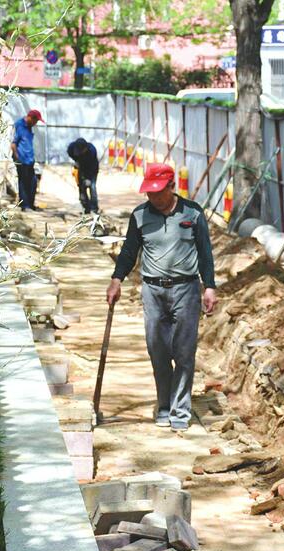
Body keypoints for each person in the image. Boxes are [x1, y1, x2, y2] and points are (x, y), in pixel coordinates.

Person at [106, 163, 218, 432]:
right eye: (149, 193)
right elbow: (128, 251)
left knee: (183, 352)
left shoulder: (193, 213)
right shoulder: (140, 216)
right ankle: (164, 405)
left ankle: (180, 410)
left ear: (171, 187)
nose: (153, 198)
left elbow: (205, 252)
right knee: (158, 350)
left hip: (186, 291)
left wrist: (210, 286)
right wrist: (116, 279)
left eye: (158, 192)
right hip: (153, 291)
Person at [11, 109, 43, 211]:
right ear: (30, 118)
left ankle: (30, 204)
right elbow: (13, 144)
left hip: (29, 159)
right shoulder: (19, 125)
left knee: (33, 182)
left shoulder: (29, 127)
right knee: (24, 182)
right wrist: (17, 157)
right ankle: (25, 205)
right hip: (21, 159)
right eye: (36, 121)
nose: (36, 123)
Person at [67, 137, 100, 213]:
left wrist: (88, 178)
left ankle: (94, 208)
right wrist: (77, 161)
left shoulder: (92, 151)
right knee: (81, 187)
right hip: (81, 168)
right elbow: (71, 154)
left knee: (92, 187)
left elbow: (92, 167)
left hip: (92, 168)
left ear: (85, 149)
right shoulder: (71, 148)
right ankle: (86, 207)